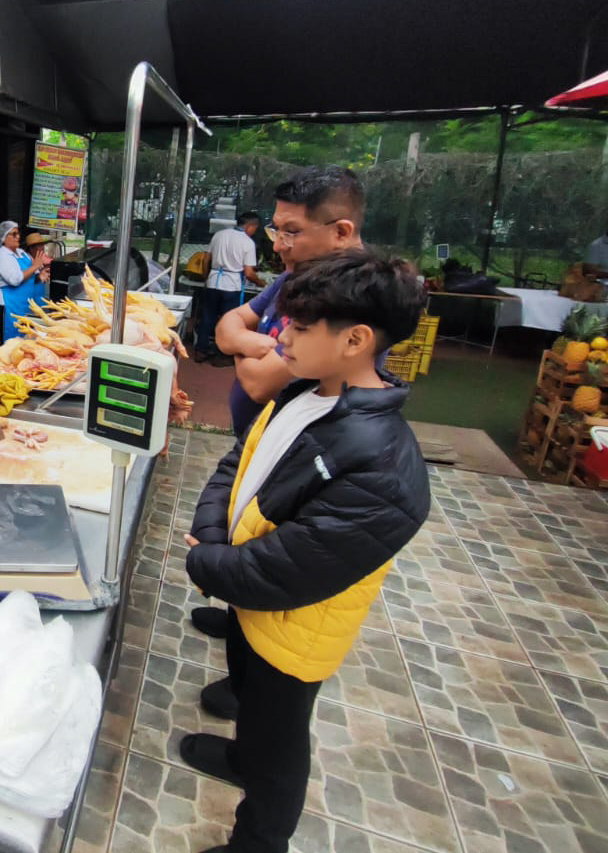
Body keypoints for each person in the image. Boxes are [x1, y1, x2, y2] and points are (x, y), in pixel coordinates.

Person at [180, 248, 430, 853]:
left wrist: (206, 561)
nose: (280, 335)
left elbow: (288, 571)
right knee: (247, 690)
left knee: (279, 741)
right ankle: (242, 754)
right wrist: (215, 534)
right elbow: (238, 461)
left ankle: (260, 840)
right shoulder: (304, 392)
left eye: (299, 326)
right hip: (250, 606)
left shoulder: (383, 467)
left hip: (295, 632)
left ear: (356, 340)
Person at [188, 166, 366, 655]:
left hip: (301, 453)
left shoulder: (348, 294)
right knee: (245, 530)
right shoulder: (296, 277)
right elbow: (226, 330)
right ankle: (237, 616)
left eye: (291, 232)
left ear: (341, 231)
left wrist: (249, 351)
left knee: (273, 554)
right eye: (275, 229)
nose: (278, 244)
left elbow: (258, 379)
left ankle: (252, 672)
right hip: (264, 440)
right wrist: (259, 346)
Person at [195, 212, 263, 365]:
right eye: (255, 228)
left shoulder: (219, 235)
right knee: (228, 321)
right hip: (231, 285)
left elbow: (206, 259)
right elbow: (249, 273)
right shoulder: (248, 243)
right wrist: (261, 283)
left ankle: (201, 350)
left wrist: (207, 277)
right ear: (250, 226)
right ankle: (221, 354)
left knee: (208, 316)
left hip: (213, 281)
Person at [0, 220, 45, 344]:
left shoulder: (21, 253)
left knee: (23, 342)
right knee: (8, 342)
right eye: (13, 234)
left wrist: (40, 275)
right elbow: (15, 279)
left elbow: (31, 276)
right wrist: (35, 266)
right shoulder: (2, 256)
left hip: (22, 305)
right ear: (4, 238)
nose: (18, 237)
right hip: (7, 305)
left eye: (18, 233)